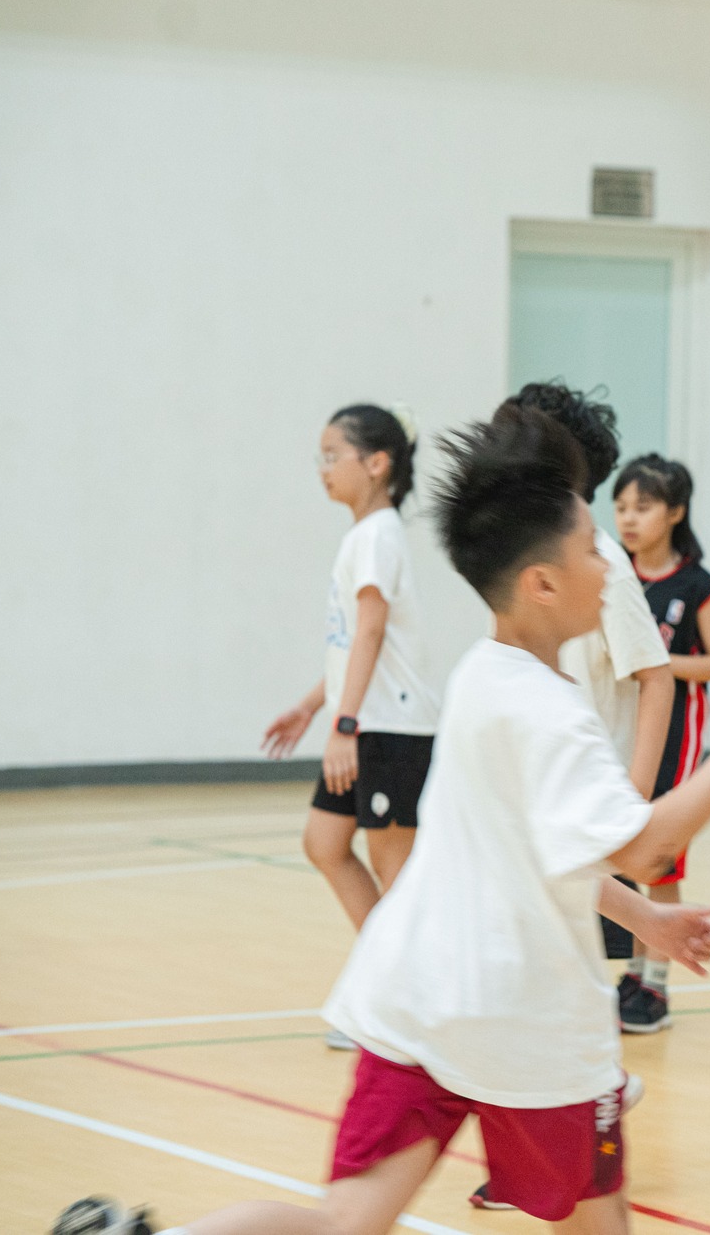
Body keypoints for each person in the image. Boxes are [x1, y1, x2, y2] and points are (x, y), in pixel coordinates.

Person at [58, 407, 710, 1235]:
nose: (608, 565)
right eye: (593, 550)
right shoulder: (553, 715)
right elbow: (647, 845)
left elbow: (534, 854)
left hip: (417, 997)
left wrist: (645, 920)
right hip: (527, 1025)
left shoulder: (483, 674)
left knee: (343, 1224)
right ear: (542, 583)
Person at [261, 404, 437, 1051]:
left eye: (333, 455)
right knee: (325, 842)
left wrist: (345, 724)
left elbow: (372, 631)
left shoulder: (380, 534)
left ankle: (409, 1011)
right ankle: (389, 991)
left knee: (399, 878)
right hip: (364, 720)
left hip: (391, 729)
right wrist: (314, 705)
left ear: (377, 463)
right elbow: (352, 643)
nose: (323, 469)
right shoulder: (363, 535)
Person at [507, 382, 675, 1034]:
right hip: (539, 791)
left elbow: (656, 678)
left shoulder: (605, 565)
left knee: (566, 983)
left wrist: (633, 799)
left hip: (585, 799)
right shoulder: (525, 558)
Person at [605, 453, 710, 1033]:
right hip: (625, 729)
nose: (629, 519)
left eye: (643, 507)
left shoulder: (697, 586)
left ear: (676, 512)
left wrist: (655, 664)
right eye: (621, 507)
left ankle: (656, 984)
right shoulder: (611, 575)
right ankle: (634, 969)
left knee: (659, 854)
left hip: (676, 731)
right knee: (621, 847)